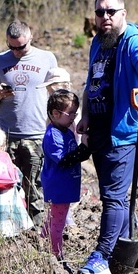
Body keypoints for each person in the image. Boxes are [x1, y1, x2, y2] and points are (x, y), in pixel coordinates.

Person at [76, 0, 138, 274]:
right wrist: (85, 115)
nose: (105, 17)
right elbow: (91, 82)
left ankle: (103, 255)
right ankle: (126, 256)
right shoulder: (99, 41)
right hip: (100, 128)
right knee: (115, 196)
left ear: (123, 13)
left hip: (125, 130)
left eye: (111, 11)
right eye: (100, 12)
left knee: (112, 196)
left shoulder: (133, 41)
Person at [0, 20, 58, 225]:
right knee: (4, 185)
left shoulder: (47, 58)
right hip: (6, 136)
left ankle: (35, 230)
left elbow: (56, 93)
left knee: (34, 186)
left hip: (36, 134)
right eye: (11, 47)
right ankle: (7, 226)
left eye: (21, 47)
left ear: (31, 38)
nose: (16, 52)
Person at [40, 90, 82, 261]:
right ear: (55, 114)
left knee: (54, 218)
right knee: (59, 222)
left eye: (75, 113)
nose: (73, 117)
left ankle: (41, 241)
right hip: (58, 186)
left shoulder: (66, 131)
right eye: (70, 113)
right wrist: (85, 150)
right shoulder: (53, 135)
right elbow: (64, 160)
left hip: (65, 185)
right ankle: (56, 254)